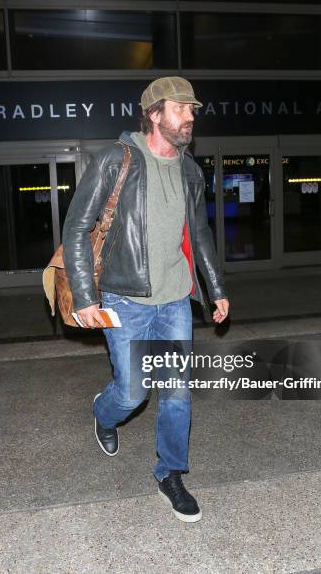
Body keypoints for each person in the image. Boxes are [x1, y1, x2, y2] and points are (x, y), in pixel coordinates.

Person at [62, 76, 229, 523]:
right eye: (180, 109)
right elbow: (76, 228)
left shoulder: (190, 170)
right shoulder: (116, 160)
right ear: (154, 114)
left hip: (175, 301)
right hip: (124, 299)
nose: (190, 117)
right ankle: (104, 412)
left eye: (192, 110)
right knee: (132, 392)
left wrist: (215, 288)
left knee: (176, 394)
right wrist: (84, 296)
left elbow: (200, 234)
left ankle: (170, 474)